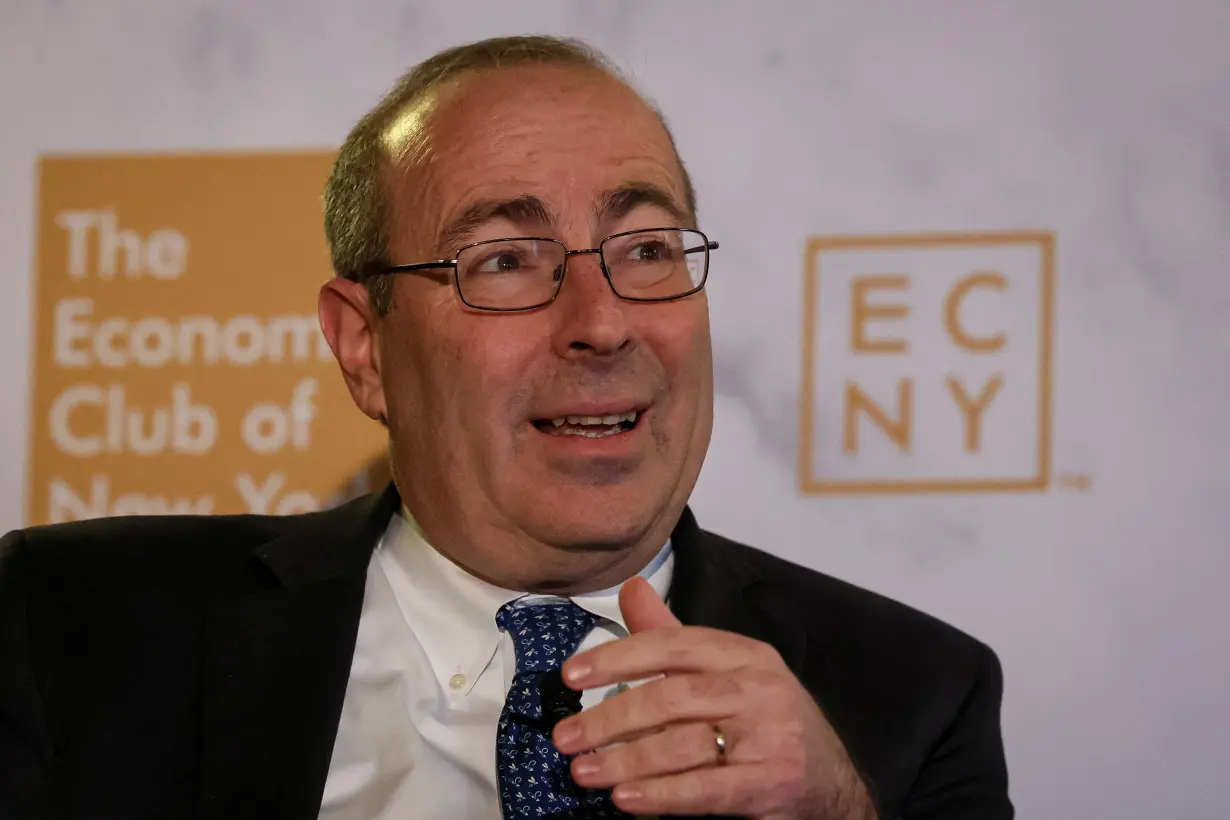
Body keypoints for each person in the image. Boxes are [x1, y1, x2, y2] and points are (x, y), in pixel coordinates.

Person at [0, 35, 1012, 820]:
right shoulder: (68, 628)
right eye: (505, 261)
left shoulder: (908, 695)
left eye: (648, 247)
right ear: (364, 348)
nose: (604, 321)